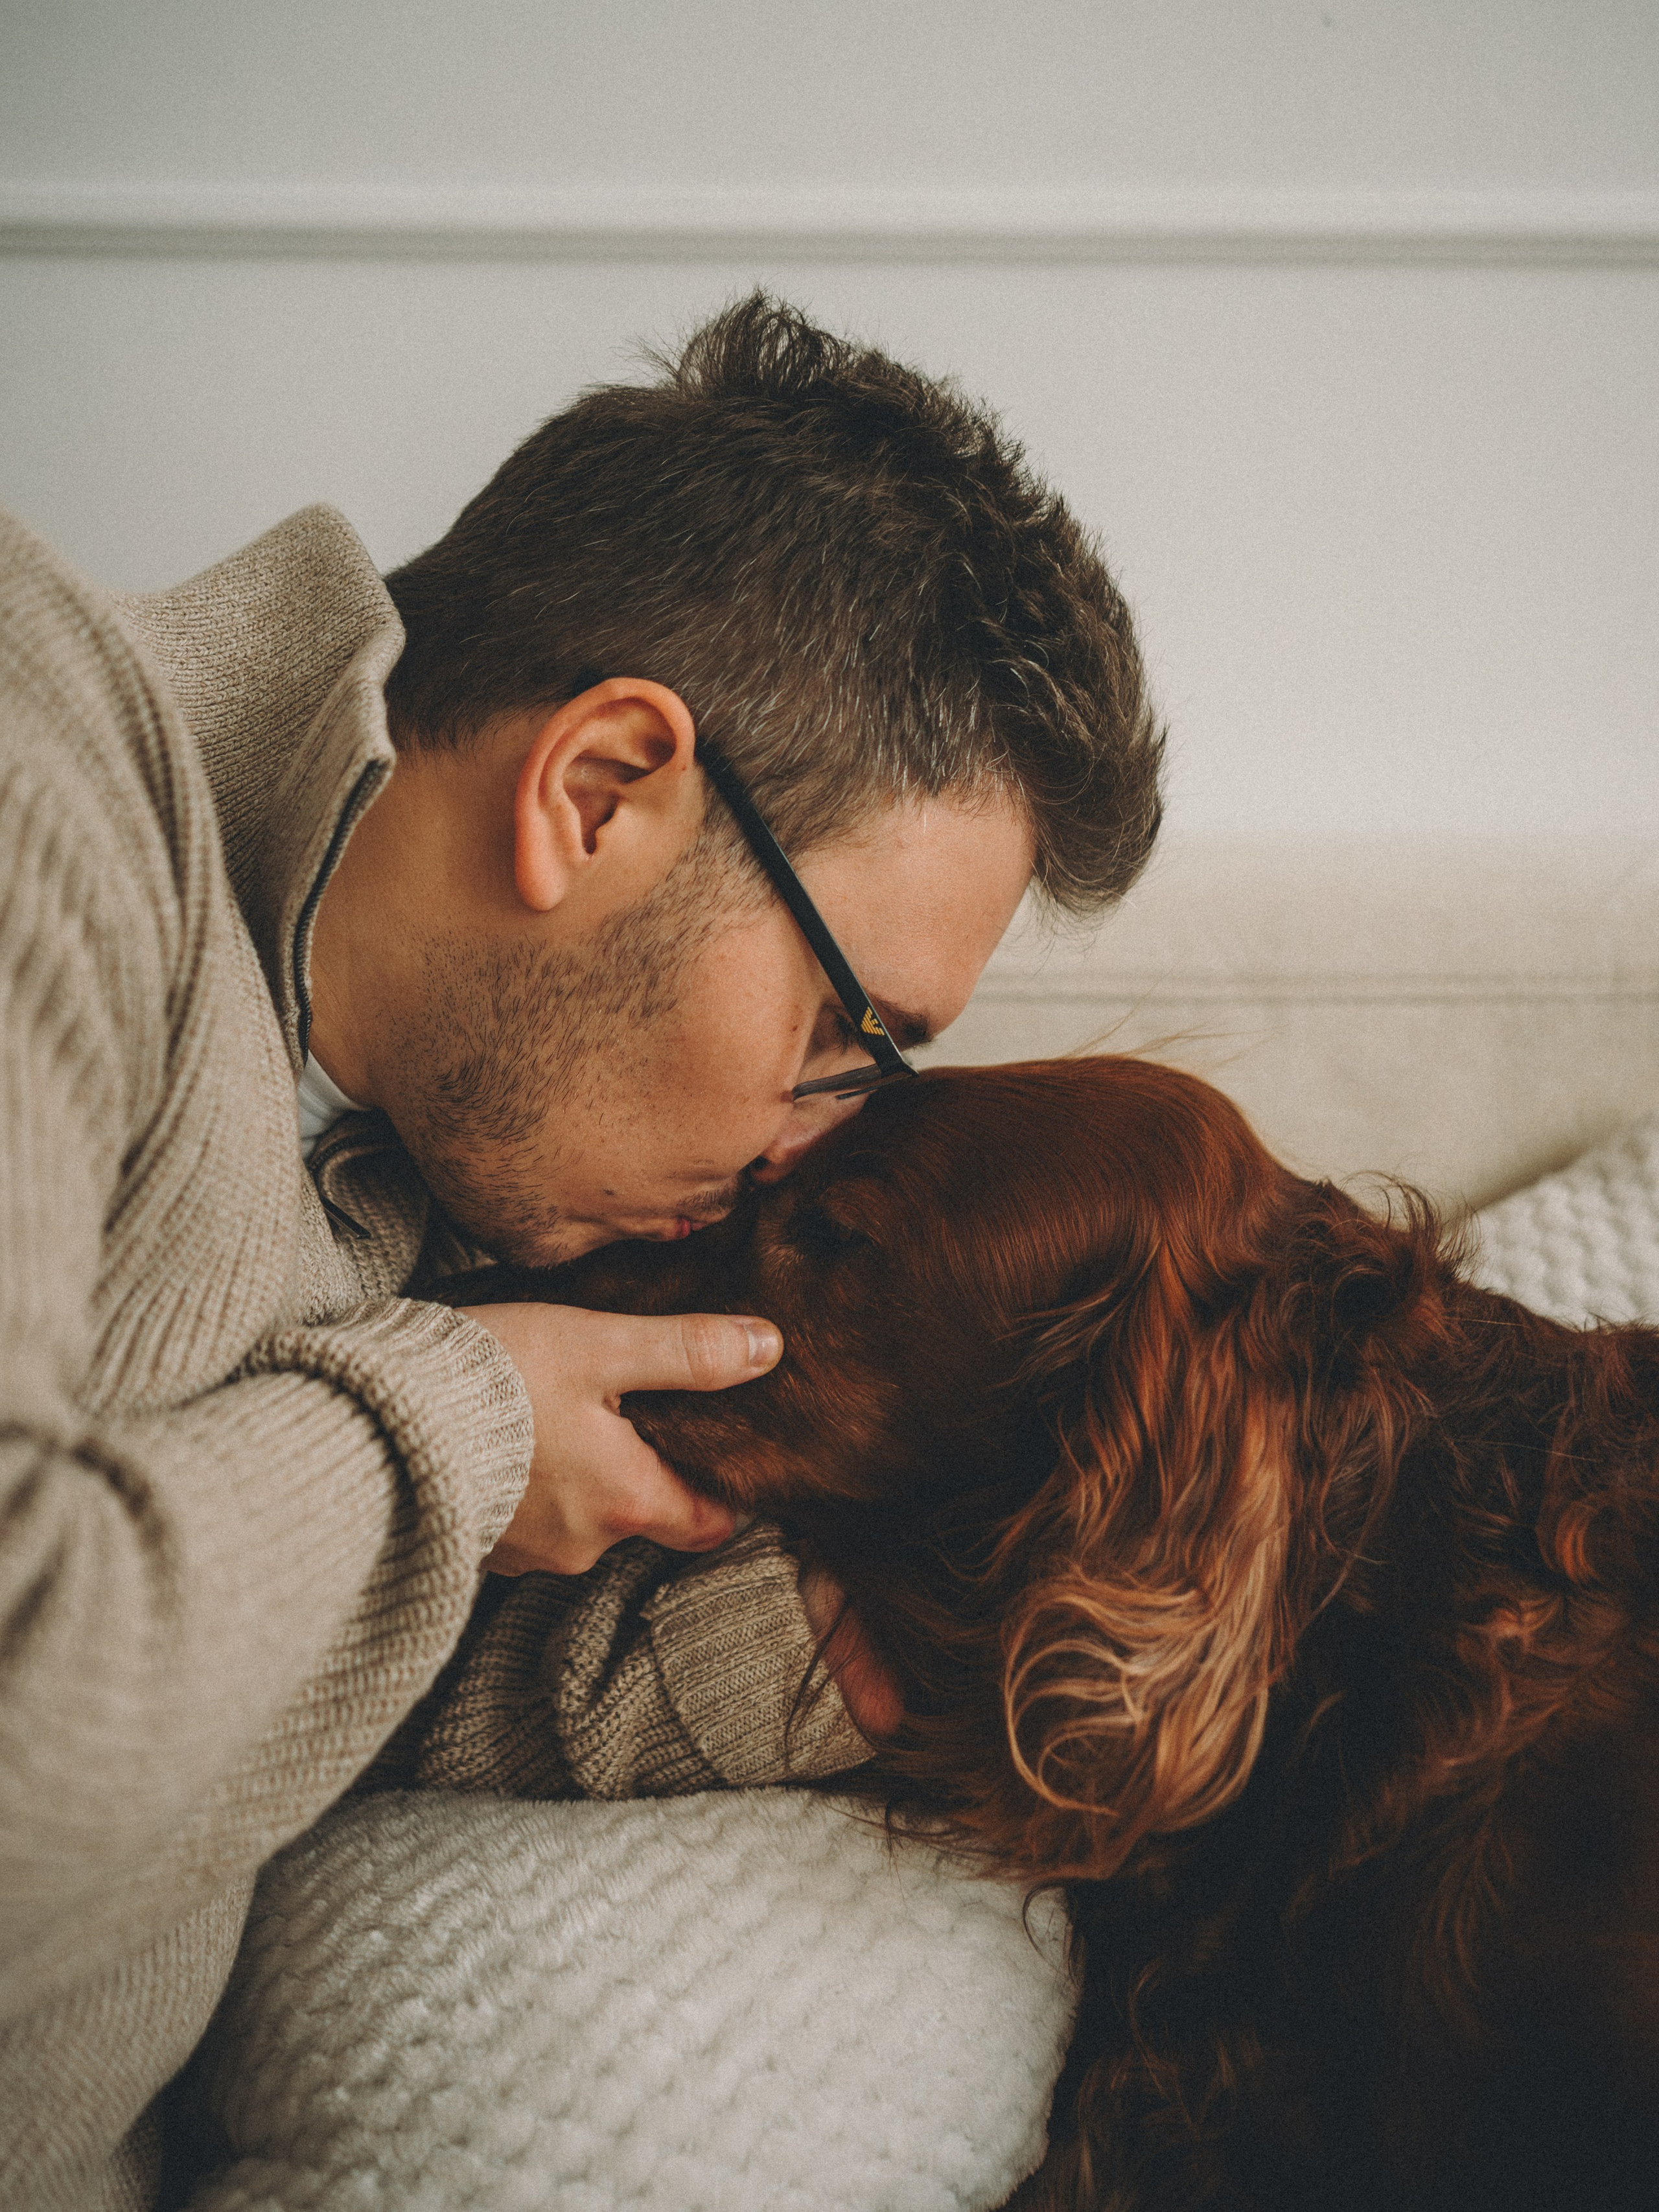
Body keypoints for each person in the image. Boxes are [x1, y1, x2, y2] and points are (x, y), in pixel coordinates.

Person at [0, 293, 1163, 2207]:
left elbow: (307, 1700)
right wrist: (449, 1428)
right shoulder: (50, 774)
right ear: (600, 789)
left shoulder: (426, 1159)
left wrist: (869, 1638)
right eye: (838, 1034)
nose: (801, 1141)